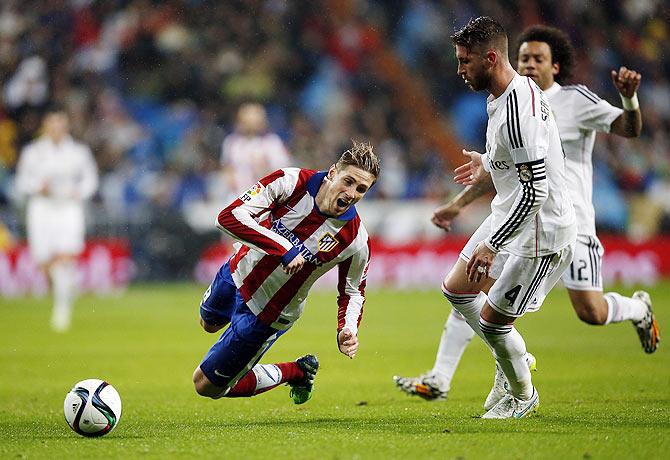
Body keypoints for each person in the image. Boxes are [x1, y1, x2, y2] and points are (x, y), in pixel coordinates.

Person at [394, 24, 660, 404]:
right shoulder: (504, 96)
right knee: (467, 289)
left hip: (556, 222)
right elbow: (510, 167)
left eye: (539, 58)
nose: (531, 64)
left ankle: (520, 380)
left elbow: (539, 182)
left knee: (588, 310)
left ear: (555, 66)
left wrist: (630, 101)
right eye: (525, 58)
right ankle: (461, 373)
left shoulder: (558, 102)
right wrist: (470, 186)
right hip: (518, 213)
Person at [409, 16, 578, 418]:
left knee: (494, 323)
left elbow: (535, 190)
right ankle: (512, 359)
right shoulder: (504, 94)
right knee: (457, 288)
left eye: (465, 61)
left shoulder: (518, 110)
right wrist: (488, 164)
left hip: (540, 231)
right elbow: (521, 164)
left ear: (490, 58)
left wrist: (492, 243)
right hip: (511, 211)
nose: (459, 70)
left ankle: (522, 393)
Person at [192, 140, 378, 404]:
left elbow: (353, 290)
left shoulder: (355, 239)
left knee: (206, 385)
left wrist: (347, 328)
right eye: (348, 181)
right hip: (237, 272)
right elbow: (228, 217)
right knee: (208, 323)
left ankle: (296, 371)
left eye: (361, 189)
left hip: (267, 313)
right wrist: (285, 248)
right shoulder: (290, 182)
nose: (351, 193)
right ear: (334, 171)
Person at [15, 106, 99, 332]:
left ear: (66, 126)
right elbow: (22, 181)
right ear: (45, 126)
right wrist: (36, 187)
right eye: (52, 124)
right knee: (45, 261)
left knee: (65, 256)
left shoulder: (78, 152)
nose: (56, 129)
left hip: (68, 208)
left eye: (60, 124)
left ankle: (62, 311)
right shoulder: (33, 152)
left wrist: (79, 192)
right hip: (42, 208)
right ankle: (66, 289)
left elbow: (90, 179)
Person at [220, 103, 293, 196]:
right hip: (237, 196)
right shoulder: (232, 142)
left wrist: (264, 169)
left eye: (256, 119)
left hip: (264, 197)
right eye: (247, 120)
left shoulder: (272, 142)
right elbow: (227, 168)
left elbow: (283, 172)